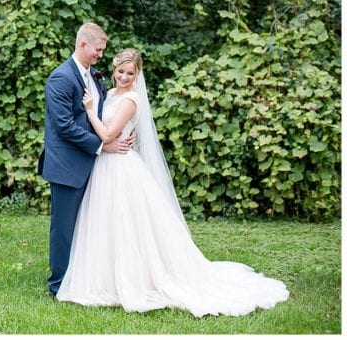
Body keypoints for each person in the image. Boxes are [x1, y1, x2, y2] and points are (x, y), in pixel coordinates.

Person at [56, 48, 289, 316]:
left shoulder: (130, 100)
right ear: (114, 69)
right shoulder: (109, 94)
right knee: (105, 221)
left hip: (121, 166)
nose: (124, 76)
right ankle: (105, 276)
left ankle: (137, 278)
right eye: (120, 71)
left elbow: (108, 134)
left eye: (130, 73)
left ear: (137, 75)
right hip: (104, 167)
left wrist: (90, 112)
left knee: (128, 223)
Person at [37, 23, 134, 298]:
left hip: (93, 164)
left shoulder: (94, 75)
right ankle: (58, 284)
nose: (101, 55)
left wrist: (125, 129)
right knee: (64, 228)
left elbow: (104, 111)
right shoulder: (61, 78)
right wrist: (104, 145)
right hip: (67, 164)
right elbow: (65, 125)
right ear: (83, 45)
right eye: (98, 49)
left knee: (88, 225)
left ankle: (82, 277)